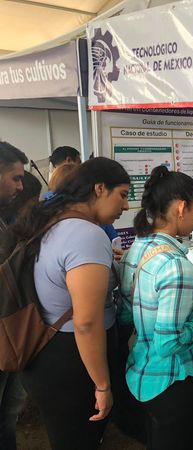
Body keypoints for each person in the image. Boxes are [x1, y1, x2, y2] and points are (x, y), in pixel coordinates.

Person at [8, 157, 130, 450]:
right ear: (99, 189)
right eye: (123, 195)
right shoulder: (86, 234)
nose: (125, 206)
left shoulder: (51, 219)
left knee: (65, 437)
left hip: (43, 352)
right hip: (72, 359)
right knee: (79, 439)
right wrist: (102, 385)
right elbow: (87, 323)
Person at [119, 165, 193, 450]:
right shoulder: (175, 266)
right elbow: (168, 343)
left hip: (140, 372)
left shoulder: (137, 247)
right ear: (180, 208)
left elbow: (128, 312)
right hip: (170, 382)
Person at [0, 141, 28, 450]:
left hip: (11, 331)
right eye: (15, 178)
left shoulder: (6, 218)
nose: (20, 186)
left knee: (8, 413)